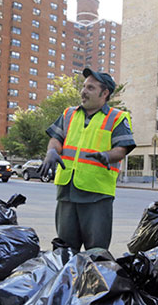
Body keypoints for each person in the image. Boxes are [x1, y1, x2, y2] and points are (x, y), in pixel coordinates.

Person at [40, 68, 135, 251]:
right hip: (67, 189)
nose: (83, 91)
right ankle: (68, 280)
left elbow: (122, 149)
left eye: (90, 87)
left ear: (104, 93)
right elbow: (56, 139)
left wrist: (106, 155)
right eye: (84, 86)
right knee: (65, 249)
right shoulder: (69, 113)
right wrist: (51, 151)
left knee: (96, 251)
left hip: (96, 194)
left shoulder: (117, 117)